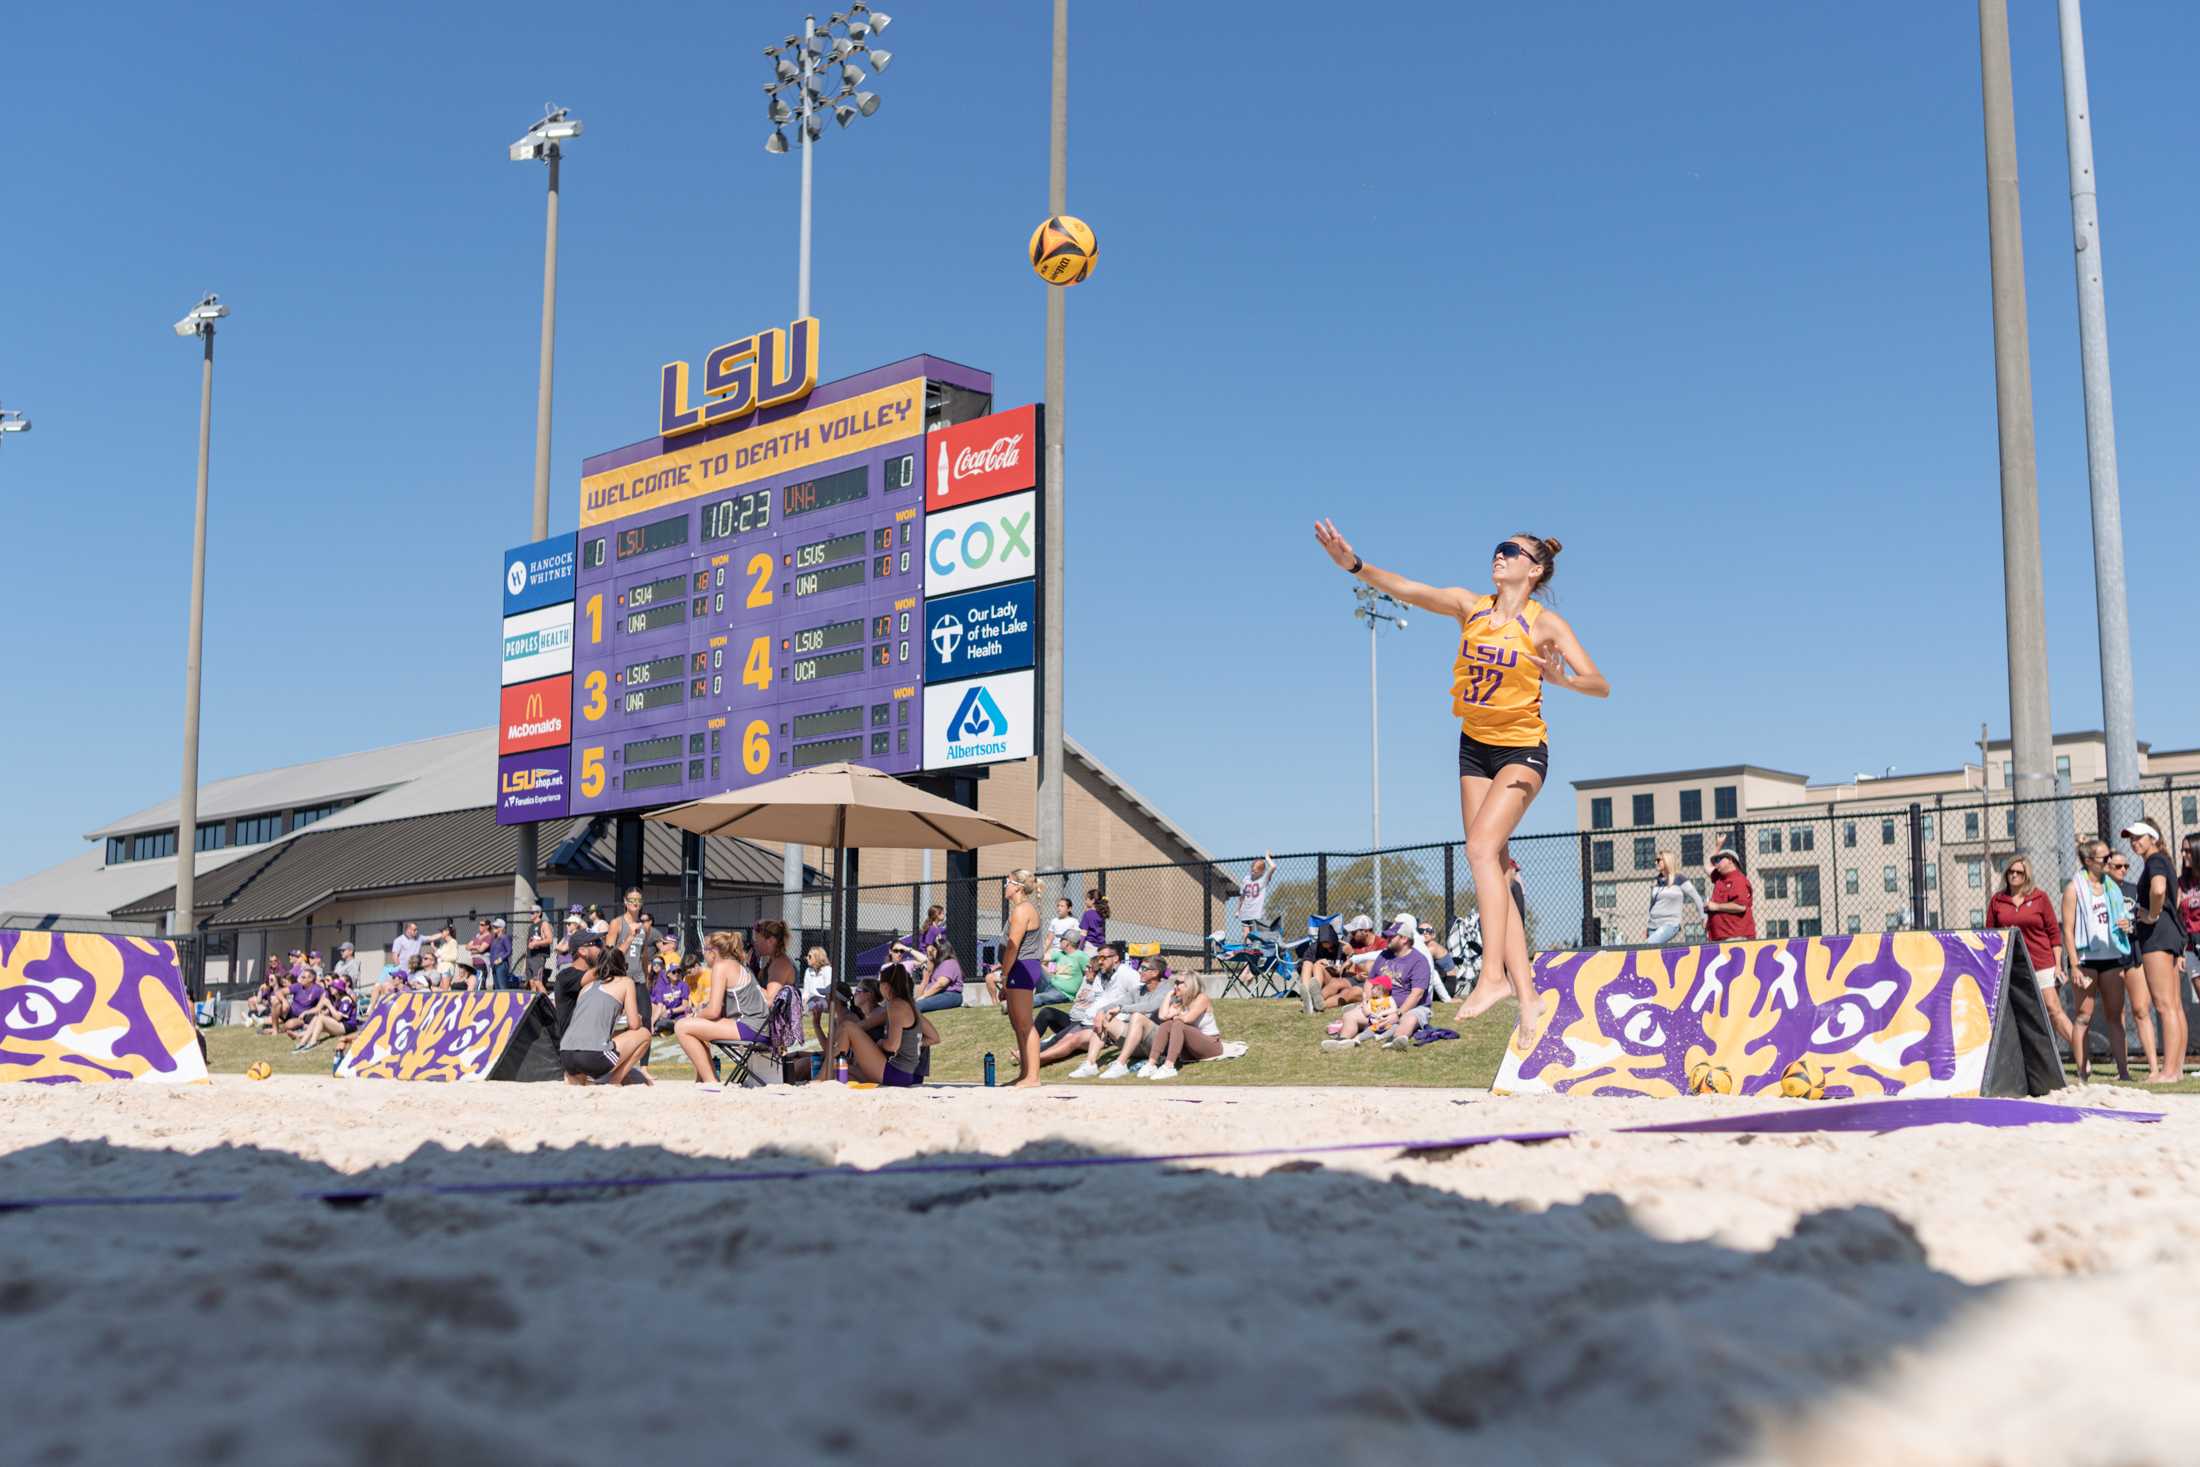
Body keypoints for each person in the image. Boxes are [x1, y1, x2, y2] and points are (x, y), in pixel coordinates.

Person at [1316, 520, 1607, 1055]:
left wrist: (1562, 678)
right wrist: (1354, 566)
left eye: (1509, 551)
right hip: (1474, 747)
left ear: (1534, 568)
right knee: (1493, 866)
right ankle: (1528, 1000)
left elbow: (1600, 684)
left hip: (1523, 751)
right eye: (1495, 548)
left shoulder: (1545, 625)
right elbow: (1407, 588)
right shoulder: (1468, 606)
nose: (1497, 556)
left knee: (1479, 849)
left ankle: (1492, 975)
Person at [1987, 855, 2080, 1058]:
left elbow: (2054, 933)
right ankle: (2039, 1061)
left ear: (2026, 875)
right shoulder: (1997, 901)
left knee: (2053, 1009)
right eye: (2010, 871)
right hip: (2012, 965)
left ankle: (2082, 1055)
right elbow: (1991, 935)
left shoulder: (2040, 898)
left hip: (2042, 963)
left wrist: (2057, 965)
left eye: (2019, 872)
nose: (2014, 875)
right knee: (2023, 1014)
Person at [2123, 821, 2186, 1084]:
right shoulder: (2160, 860)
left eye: (2138, 837)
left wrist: (2151, 914)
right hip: (2169, 934)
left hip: (2158, 937)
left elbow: (2158, 889)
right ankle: (2177, 1069)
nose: (2134, 842)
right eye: (2131, 838)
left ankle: (2169, 1071)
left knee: (2164, 1005)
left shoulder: (2155, 861)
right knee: (2174, 1006)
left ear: (2153, 837)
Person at [2060, 840, 2128, 1083]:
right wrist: (2075, 965)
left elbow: (2123, 919)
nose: (2110, 861)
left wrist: (2126, 925)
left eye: (2110, 856)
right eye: (2104, 857)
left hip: (2111, 958)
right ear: (2089, 861)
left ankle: (2124, 1073)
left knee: (2116, 1017)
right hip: (2086, 959)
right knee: (2083, 1016)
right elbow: (2068, 930)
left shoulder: (2113, 888)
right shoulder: (2074, 889)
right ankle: (2082, 1074)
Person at [672, 931, 768, 1087]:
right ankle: (703, 1078)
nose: (702, 954)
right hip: (759, 1026)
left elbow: (713, 1011)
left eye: (704, 949)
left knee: (681, 1026)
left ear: (713, 951)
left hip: (751, 1026)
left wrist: (695, 1015)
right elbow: (719, 1010)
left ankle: (711, 1081)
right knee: (697, 1027)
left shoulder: (721, 966)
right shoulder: (737, 965)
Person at [1322, 919, 1434, 1051]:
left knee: (1409, 1019)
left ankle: (1396, 1040)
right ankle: (1343, 1041)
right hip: (1380, 1006)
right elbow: (1370, 981)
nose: (1387, 939)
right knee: (1349, 1016)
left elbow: (1417, 994)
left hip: (1410, 1009)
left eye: (1391, 936)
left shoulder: (1419, 961)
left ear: (1404, 939)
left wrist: (1397, 1014)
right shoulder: (1384, 955)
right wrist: (1366, 1001)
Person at [825, 962, 933, 1086]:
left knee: (847, 1029)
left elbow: (891, 1045)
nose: (854, 993)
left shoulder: (893, 1007)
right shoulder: (911, 1007)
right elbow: (934, 1038)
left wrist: (881, 1043)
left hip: (898, 1074)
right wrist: (913, 1043)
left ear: (886, 987)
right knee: (846, 1073)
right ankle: (825, 1077)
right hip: (911, 1074)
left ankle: (821, 1077)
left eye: (880, 983)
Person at [558, 947, 653, 1086]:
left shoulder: (586, 987)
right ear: (622, 965)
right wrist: (638, 1018)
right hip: (592, 1057)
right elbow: (634, 1025)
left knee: (584, 1071)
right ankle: (615, 1081)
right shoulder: (626, 982)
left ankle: (579, 1077)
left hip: (566, 1055)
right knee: (644, 1034)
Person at [1036, 942, 1138, 1063]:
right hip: (1089, 1020)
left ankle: (1037, 1059)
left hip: (1109, 1025)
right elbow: (1100, 999)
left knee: (1072, 1040)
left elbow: (1138, 999)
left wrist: (1121, 1018)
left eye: (1103, 958)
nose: (1100, 962)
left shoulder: (1128, 975)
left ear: (1115, 958)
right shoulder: (1102, 976)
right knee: (1063, 1038)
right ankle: (1033, 1055)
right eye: (1099, 957)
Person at [1072, 956, 1172, 1079]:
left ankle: (1120, 1064)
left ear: (1155, 972)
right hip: (1137, 1043)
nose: (1139, 970)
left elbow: (1151, 1006)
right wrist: (1100, 1012)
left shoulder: (1167, 988)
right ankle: (1090, 1064)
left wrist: (1121, 1008)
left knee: (1137, 1016)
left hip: (1157, 1042)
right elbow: (1116, 1004)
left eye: (1144, 968)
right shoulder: (1138, 990)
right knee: (1104, 1018)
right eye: (1140, 967)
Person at [997, 870, 1047, 1087]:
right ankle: (1025, 1073)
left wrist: (1005, 975)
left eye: (1007, 882)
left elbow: (1013, 946)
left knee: (1025, 1024)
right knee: (1017, 1024)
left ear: (1017, 886)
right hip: (1019, 967)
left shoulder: (1022, 910)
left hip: (1022, 967)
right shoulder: (1020, 909)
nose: (1004, 886)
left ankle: (1033, 1077)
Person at [1142, 970, 1223, 1079]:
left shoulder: (1202, 998)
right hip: (1193, 1047)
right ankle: (1151, 1064)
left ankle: (1169, 1066)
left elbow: (1188, 1019)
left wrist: (1177, 1016)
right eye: (1175, 982)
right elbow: (1162, 1016)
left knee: (1178, 1023)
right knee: (1167, 1024)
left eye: (1178, 982)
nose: (1175, 985)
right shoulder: (1181, 1000)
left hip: (1211, 1046)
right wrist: (1168, 995)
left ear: (1189, 985)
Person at [1644, 851, 1707, 945]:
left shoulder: (1679, 879)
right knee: (1654, 955)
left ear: (1667, 861)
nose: (1655, 863)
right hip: (1652, 925)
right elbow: (1652, 905)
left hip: (1670, 924)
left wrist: (1703, 917)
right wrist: (1647, 926)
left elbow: (1697, 897)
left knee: (1647, 946)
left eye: (1658, 860)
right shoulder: (1657, 881)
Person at [1298, 923, 1352, 1014]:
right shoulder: (1315, 947)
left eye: (1329, 945)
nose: (1328, 948)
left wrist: (1340, 968)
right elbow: (1305, 963)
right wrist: (1318, 961)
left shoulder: (1343, 947)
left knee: (1318, 965)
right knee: (1309, 963)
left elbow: (1351, 968)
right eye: (1324, 944)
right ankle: (1307, 995)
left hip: (1339, 980)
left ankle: (1314, 996)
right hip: (1322, 979)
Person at [1704, 848, 1756, 941]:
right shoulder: (1720, 878)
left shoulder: (1738, 879)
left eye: (1719, 860)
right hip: (1721, 937)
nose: (1715, 864)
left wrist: (1716, 906)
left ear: (1730, 860)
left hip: (1736, 936)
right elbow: (1706, 866)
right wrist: (1717, 846)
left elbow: (1741, 906)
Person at [1036, 928, 1089, 1007]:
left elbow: (1090, 975)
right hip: (1050, 984)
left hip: (1063, 993)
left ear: (1068, 943)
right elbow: (1040, 958)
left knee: (1039, 997)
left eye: (1061, 939)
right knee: (1034, 965)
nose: (1059, 941)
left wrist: (1082, 992)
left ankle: (1018, 1006)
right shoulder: (1059, 954)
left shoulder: (1081, 956)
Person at [913, 938, 965, 1014]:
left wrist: (924, 997)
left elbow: (941, 984)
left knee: (917, 1005)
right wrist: (925, 979)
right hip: (938, 994)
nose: (931, 953)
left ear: (941, 950)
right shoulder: (936, 966)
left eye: (933, 950)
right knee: (913, 1004)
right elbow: (919, 996)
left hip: (950, 995)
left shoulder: (949, 962)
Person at [801, 944, 836, 1051]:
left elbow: (829, 992)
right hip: (813, 1001)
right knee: (799, 1006)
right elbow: (806, 991)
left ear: (818, 957)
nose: (807, 958)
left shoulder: (827, 970)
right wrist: (802, 1004)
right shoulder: (808, 971)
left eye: (810, 956)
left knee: (816, 1003)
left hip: (825, 1000)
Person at [1238, 852, 1277, 938]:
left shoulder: (1263, 879)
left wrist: (1267, 858)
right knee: (1245, 936)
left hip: (1256, 914)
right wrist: (1238, 910)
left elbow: (1273, 867)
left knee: (1255, 936)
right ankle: (1246, 950)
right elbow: (1242, 897)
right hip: (1245, 913)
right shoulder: (1246, 879)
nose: (1252, 873)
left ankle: (1254, 950)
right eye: (1252, 870)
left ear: (1261, 872)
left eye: (1255, 871)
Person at [525, 909, 556, 987]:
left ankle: (547, 999)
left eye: (532, 912)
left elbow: (550, 940)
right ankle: (534, 999)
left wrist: (537, 943)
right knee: (531, 984)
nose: (530, 914)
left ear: (539, 913)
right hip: (530, 956)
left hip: (538, 957)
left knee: (538, 983)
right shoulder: (531, 926)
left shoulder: (544, 923)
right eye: (530, 912)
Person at [486, 917, 513, 990]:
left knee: (502, 987)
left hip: (501, 965)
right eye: (493, 926)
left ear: (501, 928)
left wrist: (501, 959)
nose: (494, 928)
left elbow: (509, 951)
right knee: (497, 988)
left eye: (496, 927)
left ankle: (505, 1001)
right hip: (494, 966)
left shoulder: (505, 937)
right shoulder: (494, 939)